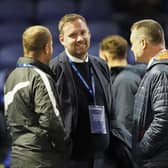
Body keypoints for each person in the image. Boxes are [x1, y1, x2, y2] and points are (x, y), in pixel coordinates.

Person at [50, 13, 114, 168]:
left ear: (89, 34)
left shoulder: (101, 65)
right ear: (62, 40)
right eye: (72, 35)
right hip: (71, 159)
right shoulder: (54, 69)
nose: (80, 39)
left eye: (83, 33)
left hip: (102, 156)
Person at [4, 25, 65, 168]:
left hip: (17, 157)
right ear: (47, 48)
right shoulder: (40, 77)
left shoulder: (10, 77)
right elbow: (51, 120)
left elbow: (8, 120)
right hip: (41, 159)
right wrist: (64, 148)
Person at [99, 35, 145, 168]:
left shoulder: (124, 80)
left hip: (126, 158)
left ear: (105, 55)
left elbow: (126, 122)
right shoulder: (122, 78)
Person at [130, 19, 168, 168]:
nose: (131, 48)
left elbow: (164, 118)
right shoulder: (158, 69)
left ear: (143, 43)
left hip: (159, 158)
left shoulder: (160, 72)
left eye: (133, 43)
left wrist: (142, 149)